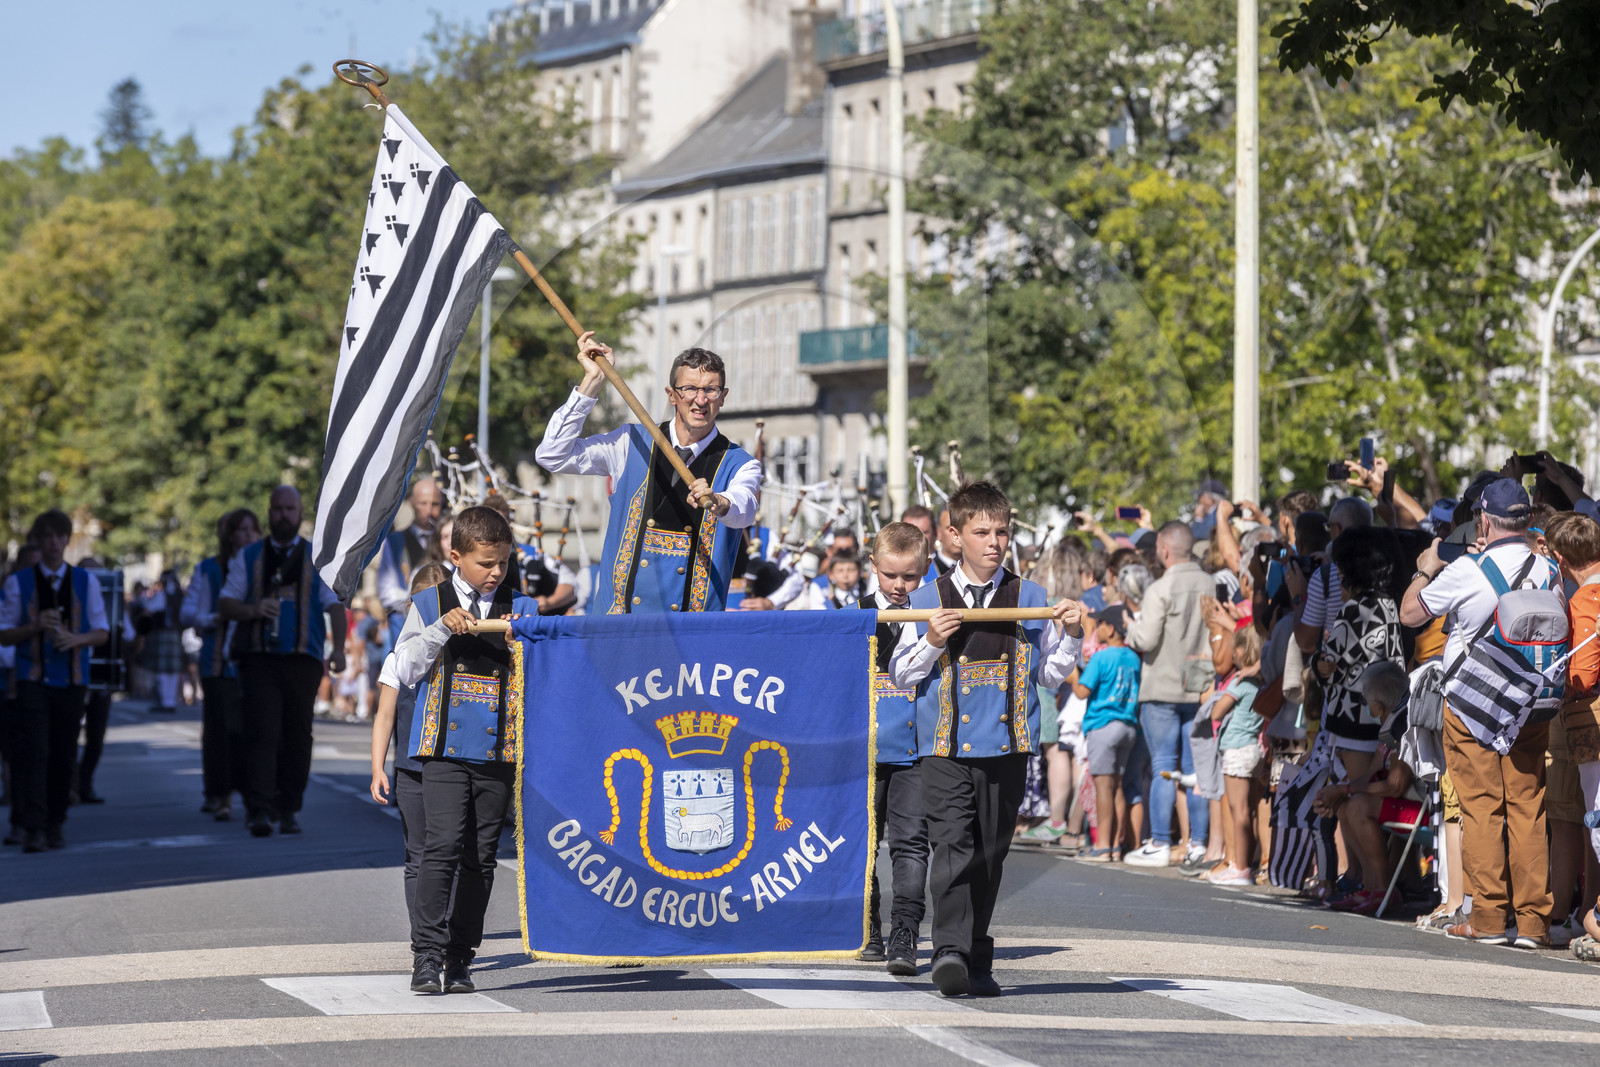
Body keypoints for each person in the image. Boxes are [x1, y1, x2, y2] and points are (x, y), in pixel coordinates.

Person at [891, 481, 1084, 997]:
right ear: (954, 535)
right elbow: (902, 675)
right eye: (981, 532)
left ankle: (976, 957)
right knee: (952, 844)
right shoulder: (925, 597)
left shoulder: (1032, 597)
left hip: (1009, 745)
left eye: (1001, 531)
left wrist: (1072, 634)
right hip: (945, 747)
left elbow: (1050, 675)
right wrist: (932, 640)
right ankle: (949, 951)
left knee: (990, 855)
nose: (994, 542)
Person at [1400, 478, 1558, 947]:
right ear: (1528, 521)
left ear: (1484, 520)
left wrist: (1425, 569)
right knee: (1528, 809)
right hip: (1530, 702)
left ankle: (1488, 920)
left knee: (1481, 809)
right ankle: (1534, 924)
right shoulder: (1547, 569)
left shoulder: (1469, 569)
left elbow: (1410, 614)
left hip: (1472, 705)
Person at [390, 506, 536, 994]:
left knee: (481, 857)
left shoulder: (523, 606)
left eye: (503, 563)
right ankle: (426, 956)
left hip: (499, 750)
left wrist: (526, 645)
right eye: (485, 564)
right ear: (456, 557)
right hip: (443, 749)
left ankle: (461, 957)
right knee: (443, 846)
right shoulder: (431, 602)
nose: (496, 574)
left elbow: (549, 675)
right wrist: (440, 630)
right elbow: (404, 668)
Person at [536, 336, 759, 614]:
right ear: (671, 394)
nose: (700, 400)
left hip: (692, 637)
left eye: (711, 390)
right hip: (620, 626)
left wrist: (721, 502)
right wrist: (592, 382)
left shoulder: (740, 463)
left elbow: (745, 508)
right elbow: (552, 454)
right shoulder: (631, 442)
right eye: (689, 388)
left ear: (723, 397)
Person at [219, 486, 348, 838]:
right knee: (260, 733)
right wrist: (252, 609)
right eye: (277, 509)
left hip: (302, 660)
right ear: (269, 512)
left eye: (290, 509)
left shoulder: (316, 558)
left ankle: (289, 808)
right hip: (259, 659)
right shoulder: (248, 557)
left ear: (300, 514)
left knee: (296, 736)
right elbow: (226, 601)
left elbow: (334, 603)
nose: (283, 516)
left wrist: (339, 649)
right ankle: (258, 810)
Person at [0, 510, 109, 852]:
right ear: (39, 540)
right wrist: (33, 627)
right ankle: (33, 826)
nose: (52, 543)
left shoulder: (86, 582)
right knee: (36, 751)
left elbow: (102, 632)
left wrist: (76, 640)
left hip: (72, 679)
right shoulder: (18, 583)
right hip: (32, 678)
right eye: (45, 536)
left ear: (66, 540)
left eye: (58, 536)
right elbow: (3, 634)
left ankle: (55, 822)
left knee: (63, 753)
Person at [856, 522, 930, 975]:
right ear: (873, 567)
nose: (901, 587)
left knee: (910, 845)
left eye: (910, 577)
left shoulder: (932, 612)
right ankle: (869, 927)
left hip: (915, 749)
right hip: (863, 749)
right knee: (865, 844)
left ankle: (905, 931)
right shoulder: (853, 613)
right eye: (891, 576)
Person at [369, 559, 451, 970]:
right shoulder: (398, 659)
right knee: (417, 854)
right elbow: (384, 715)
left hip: (452, 767)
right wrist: (378, 767)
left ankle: (443, 928)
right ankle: (424, 936)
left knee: (449, 849)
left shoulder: (459, 651)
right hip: (411, 770)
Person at [1123, 522, 1216, 868]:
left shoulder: (1160, 588)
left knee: (1163, 766)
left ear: (1163, 551)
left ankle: (1160, 842)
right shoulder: (1211, 583)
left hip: (1161, 687)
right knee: (1196, 770)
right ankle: (1199, 844)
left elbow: (1145, 640)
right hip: (1200, 685)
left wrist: (1130, 627)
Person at [1312, 661, 1419, 915]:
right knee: (1348, 804)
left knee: (1357, 805)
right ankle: (1370, 887)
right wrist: (1337, 794)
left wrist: (1345, 791)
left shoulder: (1401, 726)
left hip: (1418, 810)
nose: (1366, 706)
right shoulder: (1387, 727)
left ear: (1378, 705)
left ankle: (1382, 889)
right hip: (1401, 805)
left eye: (1366, 700)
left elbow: (1395, 785)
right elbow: (1370, 777)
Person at [181, 508, 261, 821]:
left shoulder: (262, 566)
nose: (248, 536)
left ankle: (249, 792)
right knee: (218, 731)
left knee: (249, 730)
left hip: (252, 661)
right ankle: (218, 793)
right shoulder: (208, 569)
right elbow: (188, 614)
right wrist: (214, 618)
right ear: (229, 535)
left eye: (253, 530)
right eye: (242, 530)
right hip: (216, 662)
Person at [1546, 514, 1600, 958]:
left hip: (1592, 724)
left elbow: (1582, 674)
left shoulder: (1586, 599)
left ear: (1561, 560)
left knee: (1598, 819)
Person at [1073, 604, 1141, 861]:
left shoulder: (1101, 658)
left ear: (1111, 629)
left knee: (1103, 787)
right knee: (1117, 787)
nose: (1097, 628)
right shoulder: (1133, 657)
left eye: (1100, 623)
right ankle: (1113, 844)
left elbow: (1081, 692)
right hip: (1127, 725)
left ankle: (1102, 845)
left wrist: (1071, 673)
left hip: (1102, 726)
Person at [1208, 626, 1265, 887]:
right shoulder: (1262, 682)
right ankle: (1246, 863)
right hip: (1254, 748)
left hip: (1237, 749)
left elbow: (1216, 713)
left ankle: (1240, 867)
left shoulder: (1240, 682)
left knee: (1238, 810)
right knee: (1250, 811)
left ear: (1240, 652)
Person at [378, 478, 445, 643]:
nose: (429, 510)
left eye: (435, 504)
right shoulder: (394, 541)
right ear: (412, 503)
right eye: (423, 503)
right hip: (404, 626)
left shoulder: (447, 539)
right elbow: (387, 591)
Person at [787, 553, 861, 610]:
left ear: (859, 572)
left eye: (851, 570)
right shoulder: (821, 591)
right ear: (831, 574)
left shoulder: (863, 593)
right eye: (840, 571)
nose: (845, 575)